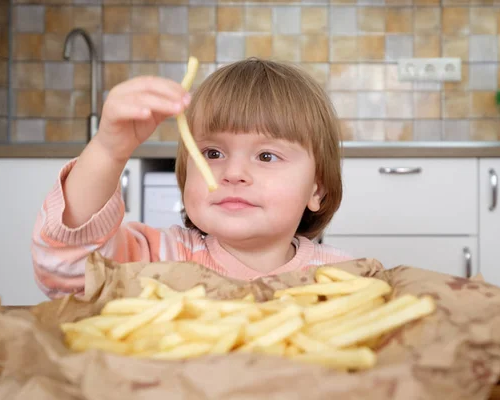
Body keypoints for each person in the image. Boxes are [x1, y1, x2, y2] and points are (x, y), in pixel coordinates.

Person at [31, 57, 353, 299]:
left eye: (267, 156)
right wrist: (108, 150)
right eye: (213, 154)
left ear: (317, 190)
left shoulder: (345, 279)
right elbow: (69, 269)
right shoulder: (158, 257)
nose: (234, 174)